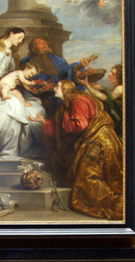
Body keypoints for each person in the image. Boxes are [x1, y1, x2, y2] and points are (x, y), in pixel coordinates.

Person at [31, 79, 124, 220]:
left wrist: (65, 116)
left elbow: (79, 125)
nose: (54, 88)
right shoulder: (67, 104)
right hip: (93, 140)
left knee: (87, 177)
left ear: (66, 88)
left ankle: (115, 203)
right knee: (88, 176)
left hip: (99, 140)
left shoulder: (78, 101)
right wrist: (45, 122)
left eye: (58, 86)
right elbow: (62, 130)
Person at [0, 28, 47, 160]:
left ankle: (22, 149)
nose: (20, 41)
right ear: (11, 33)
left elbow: (14, 78)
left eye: (22, 39)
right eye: (19, 37)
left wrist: (31, 88)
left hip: (5, 89)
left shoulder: (13, 55)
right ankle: (7, 152)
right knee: (10, 109)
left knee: (34, 108)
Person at [77, 64, 123, 137]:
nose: (109, 74)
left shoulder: (120, 88)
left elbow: (104, 97)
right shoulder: (118, 87)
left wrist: (87, 85)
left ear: (119, 78)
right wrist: (99, 88)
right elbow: (110, 94)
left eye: (113, 73)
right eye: (111, 71)